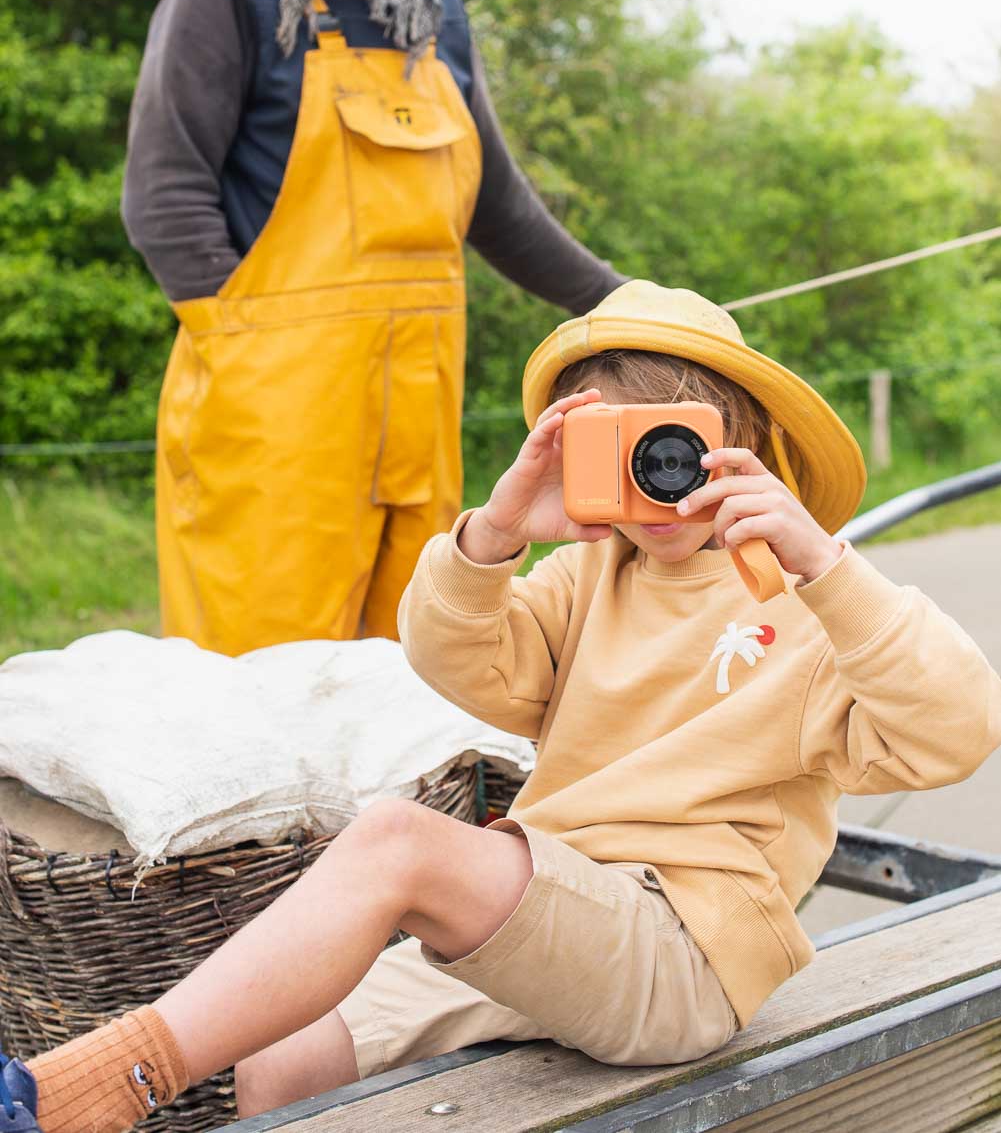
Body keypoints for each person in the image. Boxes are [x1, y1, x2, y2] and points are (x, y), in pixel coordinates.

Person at [5, 281, 1000, 1133]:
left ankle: (96, 1084)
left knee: (398, 841)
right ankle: (117, 1080)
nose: (653, 479)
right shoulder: (583, 577)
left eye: (673, 445)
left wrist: (822, 562)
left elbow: (955, 730)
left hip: (681, 949)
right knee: (283, 1065)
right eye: (613, 450)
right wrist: (495, 531)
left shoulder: (804, 603)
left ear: (739, 440)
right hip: (554, 917)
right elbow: (458, 662)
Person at [121, 0, 624, 656]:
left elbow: (497, 206)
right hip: (271, 422)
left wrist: (626, 303)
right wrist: (248, 352)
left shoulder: (434, 4)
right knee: (261, 684)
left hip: (416, 418)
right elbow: (161, 195)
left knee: (407, 677)